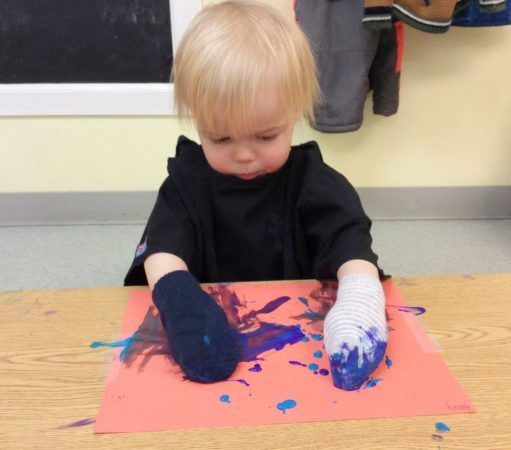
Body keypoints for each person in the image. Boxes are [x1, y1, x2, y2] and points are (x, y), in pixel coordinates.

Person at [124, 0, 388, 391]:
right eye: (221, 138)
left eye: (266, 136)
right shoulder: (188, 180)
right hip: (216, 309)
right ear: (197, 119)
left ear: (294, 113)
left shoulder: (310, 179)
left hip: (295, 327)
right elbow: (163, 250)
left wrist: (360, 293)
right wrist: (181, 303)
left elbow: (349, 238)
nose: (245, 154)